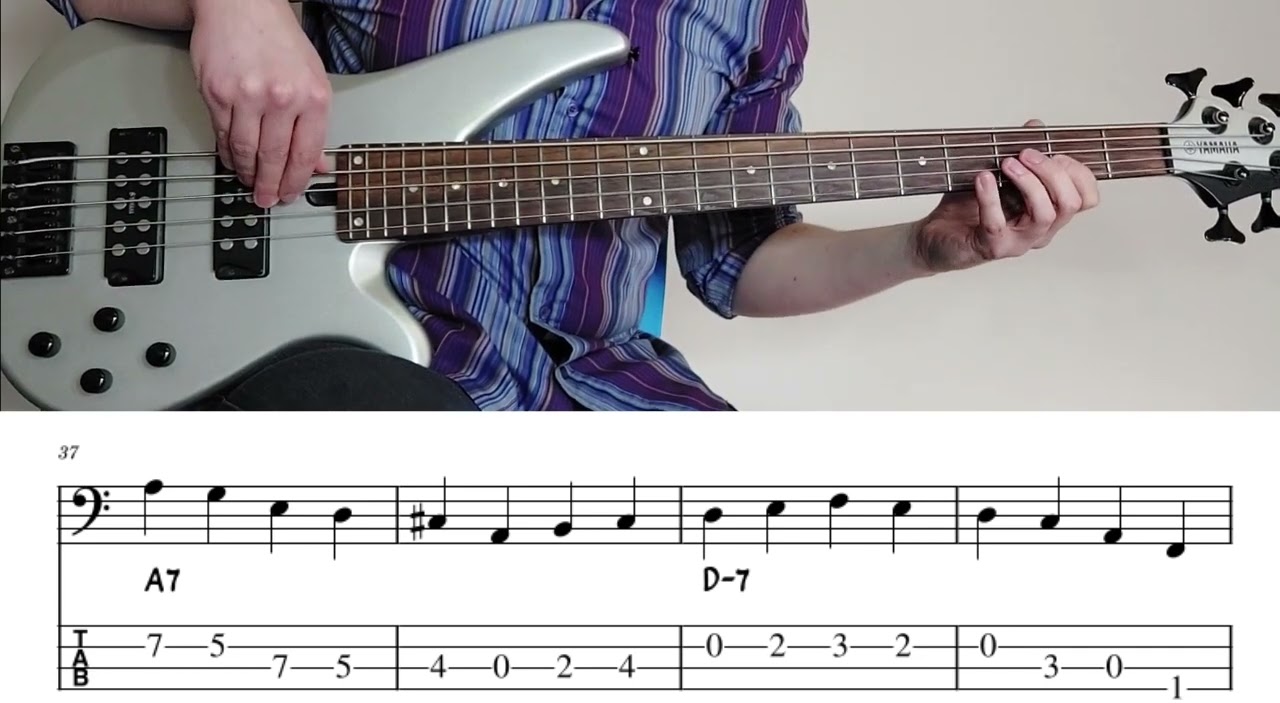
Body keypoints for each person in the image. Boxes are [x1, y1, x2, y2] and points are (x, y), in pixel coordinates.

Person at [47, 0, 1100, 411]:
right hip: (348, 356)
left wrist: (925, 246)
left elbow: (740, 261)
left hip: (605, 388)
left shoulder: (761, 16)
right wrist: (237, 4)